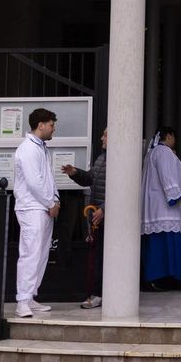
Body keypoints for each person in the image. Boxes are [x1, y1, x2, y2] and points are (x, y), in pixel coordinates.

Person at [12, 108, 61, 318]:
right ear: (40, 125)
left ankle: (30, 296)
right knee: (30, 253)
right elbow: (34, 182)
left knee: (41, 253)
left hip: (42, 207)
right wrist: (50, 202)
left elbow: (48, 177)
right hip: (32, 207)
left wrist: (55, 199)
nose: (53, 129)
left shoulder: (41, 148)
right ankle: (22, 300)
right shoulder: (28, 149)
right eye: (51, 125)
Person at [61, 126, 109, 309]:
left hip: (108, 217)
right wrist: (75, 173)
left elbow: (122, 189)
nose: (101, 138)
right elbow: (90, 179)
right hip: (97, 216)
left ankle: (100, 294)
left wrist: (104, 209)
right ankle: (97, 293)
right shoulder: (101, 158)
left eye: (105, 135)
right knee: (96, 257)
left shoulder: (120, 160)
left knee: (102, 258)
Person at [141, 126, 181, 289]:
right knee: (165, 246)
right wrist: (175, 194)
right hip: (166, 210)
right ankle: (165, 277)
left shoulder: (151, 153)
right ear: (169, 136)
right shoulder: (164, 152)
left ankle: (158, 278)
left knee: (155, 245)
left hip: (154, 207)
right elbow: (167, 174)